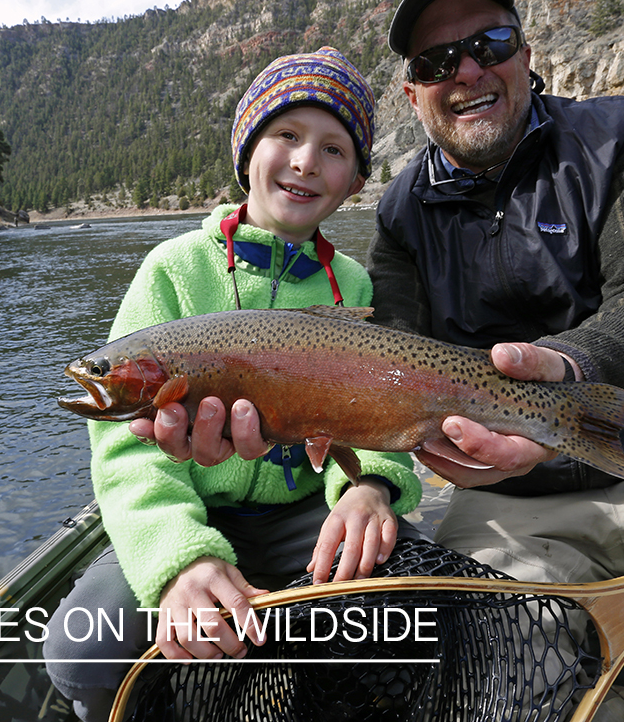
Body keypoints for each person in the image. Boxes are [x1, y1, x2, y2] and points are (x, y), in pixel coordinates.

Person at [143, 0, 624, 721]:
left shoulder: (619, 133)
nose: (465, 71)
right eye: (437, 62)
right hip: (505, 505)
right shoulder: (403, 213)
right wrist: (337, 445)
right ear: (413, 94)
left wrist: (568, 371)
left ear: (525, 55)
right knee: (482, 698)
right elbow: (386, 359)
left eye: (487, 45)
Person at [44, 46, 423, 721]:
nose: (306, 160)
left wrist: (368, 486)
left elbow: (378, 411)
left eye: (333, 149)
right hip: (187, 510)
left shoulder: (354, 288)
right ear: (247, 149)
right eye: (285, 136)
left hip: (306, 516)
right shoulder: (172, 270)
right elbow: (128, 454)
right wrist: (177, 562)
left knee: (402, 624)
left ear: (353, 182)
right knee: (79, 650)